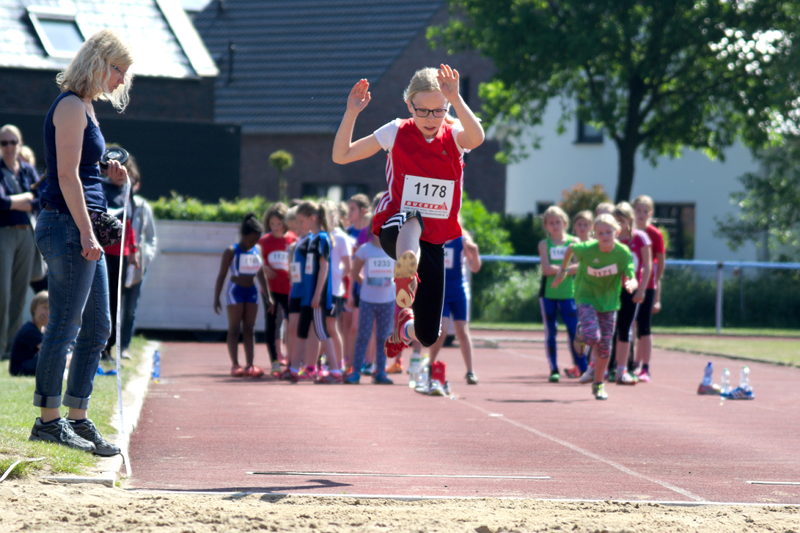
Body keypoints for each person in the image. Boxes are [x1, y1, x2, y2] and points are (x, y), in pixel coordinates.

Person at [332, 64, 485, 391]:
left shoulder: (454, 132)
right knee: (414, 214)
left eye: (438, 110)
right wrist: (351, 113)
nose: (431, 118)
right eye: (423, 111)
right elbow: (342, 156)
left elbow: (477, 137)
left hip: (434, 241)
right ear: (408, 105)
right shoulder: (396, 131)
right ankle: (406, 271)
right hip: (394, 227)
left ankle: (404, 327)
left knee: (430, 333)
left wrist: (456, 100)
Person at [30, 29, 133, 455]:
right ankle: (49, 421)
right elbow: (67, 175)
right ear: (99, 62)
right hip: (68, 225)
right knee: (66, 326)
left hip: (81, 222)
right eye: (118, 71)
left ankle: (77, 416)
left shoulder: (86, 106)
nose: (120, 81)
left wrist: (112, 176)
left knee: (97, 327)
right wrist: (88, 230)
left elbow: (83, 172)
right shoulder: (71, 105)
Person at [552, 213, 637, 400]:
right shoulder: (588, 249)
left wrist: (631, 283)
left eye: (609, 232)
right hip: (586, 296)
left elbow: (631, 274)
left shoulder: (622, 253)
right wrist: (562, 271)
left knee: (605, 348)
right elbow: (570, 249)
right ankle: (582, 334)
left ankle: (598, 384)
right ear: (595, 235)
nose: (605, 236)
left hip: (609, 302)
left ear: (617, 232)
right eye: (600, 233)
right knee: (593, 336)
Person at [0, 124, 39, 360]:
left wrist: (15, 201)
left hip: (26, 234)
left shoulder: (27, 170)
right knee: (2, 294)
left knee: (19, 293)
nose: (9, 147)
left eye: (13, 142)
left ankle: (11, 348)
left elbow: (41, 197)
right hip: (4, 233)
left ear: (20, 144)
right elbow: (0, 202)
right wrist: (22, 199)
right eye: (4, 143)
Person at [293, 200, 342, 383]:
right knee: (309, 332)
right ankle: (300, 368)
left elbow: (324, 267)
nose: (300, 225)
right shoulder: (312, 239)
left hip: (317, 296)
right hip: (308, 295)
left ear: (313, 218)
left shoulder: (322, 238)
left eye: (302, 220)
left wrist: (316, 295)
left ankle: (336, 371)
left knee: (323, 332)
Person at [427, 230, 482, 389]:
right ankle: (430, 364)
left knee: (462, 331)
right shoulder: (435, 237)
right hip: (441, 291)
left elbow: (475, 268)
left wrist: (474, 252)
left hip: (458, 291)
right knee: (442, 330)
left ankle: (470, 371)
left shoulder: (462, 240)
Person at [537, 206, 585, 383]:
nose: (555, 226)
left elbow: (580, 266)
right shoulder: (544, 244)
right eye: (551, 223)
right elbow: (546, 268)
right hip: (549, 294)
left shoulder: (574, 242)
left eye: (558, 222)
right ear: (546, 226)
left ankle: (582, 366)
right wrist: (565, 270)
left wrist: (562, 270)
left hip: (569, 293)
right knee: (551, 332)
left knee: (574, 331)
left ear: (565, 223)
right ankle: (553, 368)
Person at [213, 213, 265, 378]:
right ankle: (235, 364)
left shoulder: (257, 250)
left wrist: (268, 296)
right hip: (235, 290)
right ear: (244, 235)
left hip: (252, 291)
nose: (253, 243)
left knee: (250, 328)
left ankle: (250, 364)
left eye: (257, 240)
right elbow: (221, 275)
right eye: (251, 240)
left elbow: (261, 273)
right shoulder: (231, 251)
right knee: (234, 328)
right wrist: (216, 297)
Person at [102, 144, 138, 360]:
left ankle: (111, 345)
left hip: (121, 254)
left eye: (123, 167)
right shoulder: (98, 187)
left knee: (117, 301)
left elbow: (130, 221)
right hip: (103, 252)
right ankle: (99, 345)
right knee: (101, 299)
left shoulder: (128, 189)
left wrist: (134, 250)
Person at [344, 229, 395, 385]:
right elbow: (353, 272)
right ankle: (356, 372)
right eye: (377, 229)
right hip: (367, 300)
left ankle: (380, 371)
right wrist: (365, 283)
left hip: (388, 300)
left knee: (384, 337)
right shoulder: (365, 249)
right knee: (363, 336)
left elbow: (402, 272)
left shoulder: (394, 249)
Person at [608, 202, 652, 385]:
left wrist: (641, 289)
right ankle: (603, 367)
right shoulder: (611, 239)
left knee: (625, 329)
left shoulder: (640, 238)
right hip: (612, 289)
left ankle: (621, 369)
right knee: (609, 329)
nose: (619, 225)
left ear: (630, 220)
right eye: (615, 221)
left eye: (622, 221)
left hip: (631, 289)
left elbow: (647, 265)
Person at [120, 155, 157, 358]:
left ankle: (124, 346)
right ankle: (108, 346)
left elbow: (151, 237)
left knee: (131, 309)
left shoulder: (142, 206)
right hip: (116, 259)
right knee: (112, 306)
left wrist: (146, 257)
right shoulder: (112, 202)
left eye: (131, 182)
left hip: (136, 265)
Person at [257, 202, 296, 376]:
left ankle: (292, 358)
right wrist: (265, 268)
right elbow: (257, 261)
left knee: (291, 324)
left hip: (289, 289)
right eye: (272, 224)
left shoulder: (293, 239)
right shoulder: (264, 241)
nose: (276, 227)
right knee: (272, 325)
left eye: (279, 224)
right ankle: (274, 361)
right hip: (270, 290)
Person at [631, 195, 666, 382]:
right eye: (638, 210)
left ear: (650, 213)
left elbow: (660, 263)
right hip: (630, 284)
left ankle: (645, 366)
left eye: (645, 211)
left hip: (648, 284)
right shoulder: (629, 233)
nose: (641, 214)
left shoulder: (655, 234)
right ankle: (633, 362)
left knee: (644, 326)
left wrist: (656, 293)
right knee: (631, 325)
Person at [9, 291, 49, 376]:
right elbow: (48, 351)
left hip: (27, 365)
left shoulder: (40, 329)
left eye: (50, 309)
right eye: (44, 307)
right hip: (20, 369)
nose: (47, 313)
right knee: (49, 356)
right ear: (34, 309)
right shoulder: (30, 330)